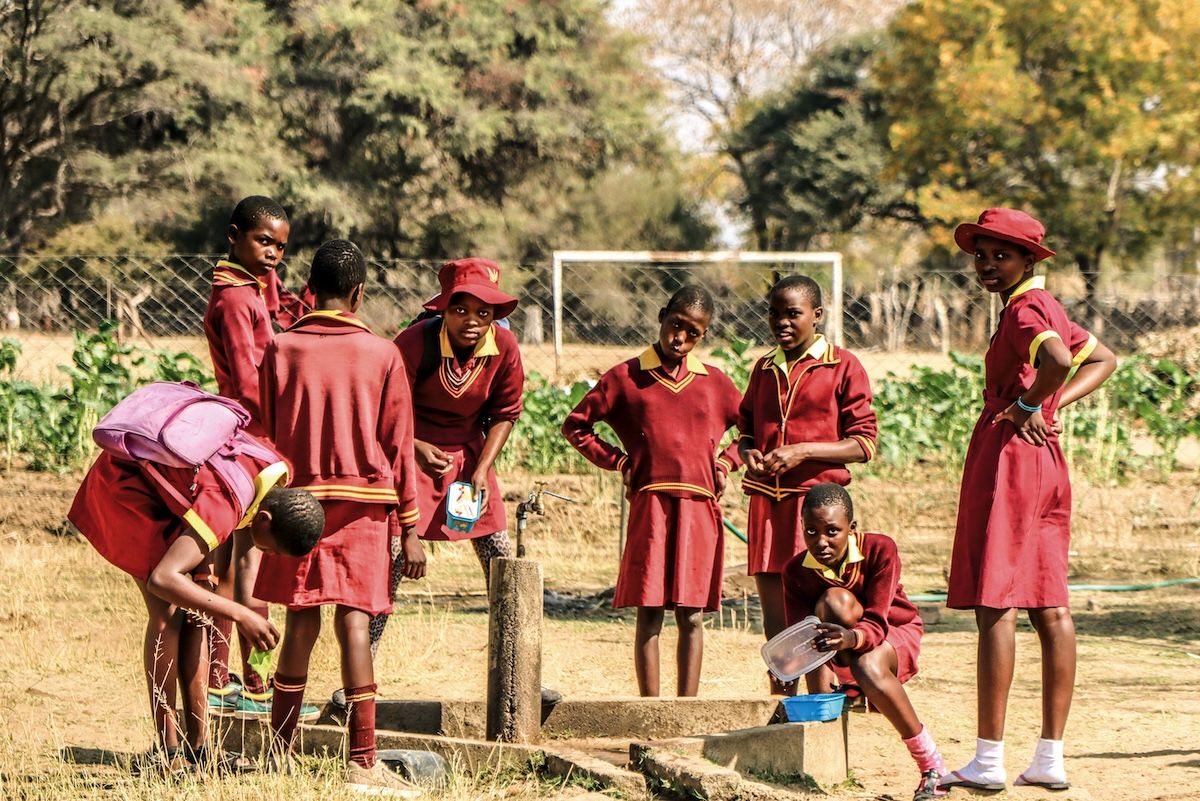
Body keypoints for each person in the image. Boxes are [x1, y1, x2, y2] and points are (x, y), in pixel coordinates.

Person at [941, 209, 1116, 792]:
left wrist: (1026, 407)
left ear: (1030, 260)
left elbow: (1062, 362)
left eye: (1002, 256)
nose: (987, 265)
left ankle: (988, 759)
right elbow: (1103, 359)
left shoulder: (1024, 309)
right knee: (1050, 606)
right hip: (1046, 464)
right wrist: (1051, 406)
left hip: (1012, 458)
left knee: (998, 604)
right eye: (982, 255)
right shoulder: (1048, 307)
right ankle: (1049, 758)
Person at [255, 239, 424, 795]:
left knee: (300, 622)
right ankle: (362, 762)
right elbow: (399, 448)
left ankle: (278, 752)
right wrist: (412, 528)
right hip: (364, 510)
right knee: (354, 623)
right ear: (358, 293)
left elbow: (264, 433)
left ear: (310, 289)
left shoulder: (281, 349)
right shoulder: (382, 354)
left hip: (297, 508)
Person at [67, 438, 323, 773]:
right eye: (272, 550)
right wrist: (240, 613)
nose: (268, 555)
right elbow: (163, 577)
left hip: (171, 499)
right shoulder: (227, 501)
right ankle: (169, 750)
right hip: (124, 491)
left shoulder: (271, 475)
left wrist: (209, 590)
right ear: (264, 519)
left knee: (199, 610)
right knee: (167, 611)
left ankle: (199, 747)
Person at [562, 286, 742, 697]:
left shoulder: (715, 383)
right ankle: (650, 706)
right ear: (662, 316)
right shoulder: (624, 378)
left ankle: (687, 706)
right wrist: (621, 462)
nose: (680, 338)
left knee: (692, 615)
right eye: (675, 325)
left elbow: (754, 431)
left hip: (699, 509)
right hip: (651, 505)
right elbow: (576, 426)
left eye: (693, 333)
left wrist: (726, 461)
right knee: (650, 612)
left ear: (704, 335)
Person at [372, 258, 523, 649]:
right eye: (461, 310)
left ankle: (520, 669)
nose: (471, 321)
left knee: (502, 564)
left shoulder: (504, 346)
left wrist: (481, 469)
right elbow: (384, 409)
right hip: (409, 456)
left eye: (483, 312)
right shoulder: (415, 342)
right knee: (389, 564)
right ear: (443, 309)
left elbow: (506, 413)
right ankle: (358, 680)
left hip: (472, 459)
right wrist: (414, 447)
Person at [737, 275, 877, 694]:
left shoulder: (843, 365)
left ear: (817, 316)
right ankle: (782, 696)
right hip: (766, 505)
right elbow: (746, 428)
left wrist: (802, 451)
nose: (782, 322)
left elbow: (864, 443)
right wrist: (747, 451)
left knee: (819, 607)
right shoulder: (763, 368)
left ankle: (830, 694)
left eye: (793, 313)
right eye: (774, 313)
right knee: (774, 613)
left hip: (815, 511)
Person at [782, 483, 945, 801]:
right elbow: (802, 638)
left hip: (893, 630)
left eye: (832, 531)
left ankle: (932, 768)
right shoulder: (795, 571)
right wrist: (785, 669)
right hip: (840, 645)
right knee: (831, 604)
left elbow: (879, 621)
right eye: (811, 531)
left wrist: (852, 638)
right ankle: (847, 699)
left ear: (851, 529)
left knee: (868, 663)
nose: (822, 542)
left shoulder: (880, 549)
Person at [202, 195, 293, 713]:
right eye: (264, 242)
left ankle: (221, 679)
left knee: (232, 561)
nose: (274, 254)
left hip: (239, 437)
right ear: (234, 235)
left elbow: (275, 314)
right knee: (247, 564)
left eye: (281, 246)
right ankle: (253, 685)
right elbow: (245, 374)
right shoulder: (237, 300)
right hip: (248, 440)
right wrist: (283, 427)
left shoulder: (245, 288)